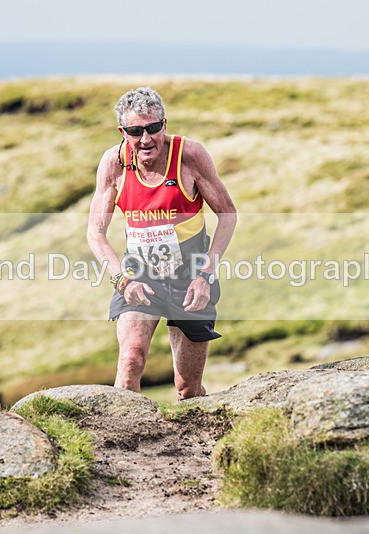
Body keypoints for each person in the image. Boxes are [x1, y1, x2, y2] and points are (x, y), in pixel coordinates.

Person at [87, 87, 237, 400]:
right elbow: (95, 233)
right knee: (131, 360)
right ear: (122, 131)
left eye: (154, 128)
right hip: (139, 276)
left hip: (190, 279)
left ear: (164, 124)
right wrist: (122, 280)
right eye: (135, 131)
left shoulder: (190, 156)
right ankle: (120, 442)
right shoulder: (113, 164)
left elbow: (228, 215)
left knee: (187, 389)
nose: (146, 139)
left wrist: (206, 275)